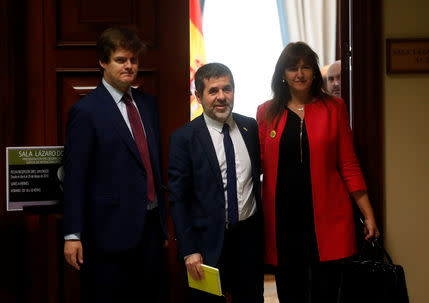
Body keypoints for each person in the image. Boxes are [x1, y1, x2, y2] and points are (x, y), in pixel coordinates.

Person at [256, 42, 379, 302]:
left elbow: (348, 163)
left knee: (327, 293)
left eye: (305, 67)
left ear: (315, 72)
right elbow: (256, 166)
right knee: (290, 293)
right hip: (283, 220)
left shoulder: (335, 108)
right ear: (282, 73)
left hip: (328, 218)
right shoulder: (266, 112)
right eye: (292, 68)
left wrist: (367, 213)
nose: (299, 74)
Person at [63, 27, 168, 303]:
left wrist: (165, 225)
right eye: (121, 60)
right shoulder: (86, 111)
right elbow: (75, 177)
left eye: (133, 60)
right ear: (102, 62)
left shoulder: (148, 105)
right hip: (108, 234)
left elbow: (154, 165)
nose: (129, 66)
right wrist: (72, 234)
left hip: (151, 229)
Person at [168, 63, 264, 302]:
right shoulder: (184, 138)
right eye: (213, 91)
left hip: (248, 241)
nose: (222, 97)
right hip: (207, 245)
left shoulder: (249, 127)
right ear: (198, 96)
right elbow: (178, 199)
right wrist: (189, 249)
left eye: (227, 89)